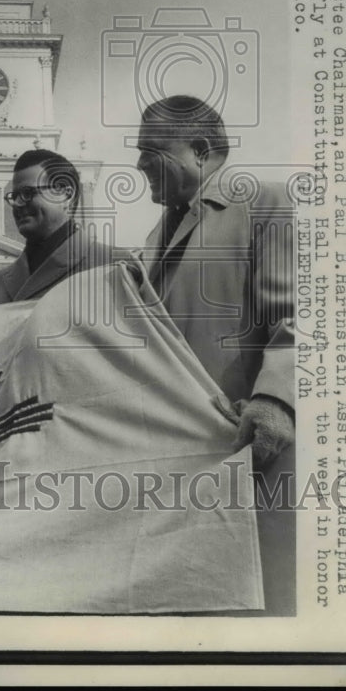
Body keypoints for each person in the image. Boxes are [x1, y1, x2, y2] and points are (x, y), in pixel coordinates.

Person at [135, 96, 295, 614]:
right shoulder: (156, 235)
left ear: (200, 150)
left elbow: (298, 315)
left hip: (254, 449)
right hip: (179, 461)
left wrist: (276, 400)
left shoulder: (267, 202)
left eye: (150, 151)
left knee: (259, 607)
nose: (139, 165)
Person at [0, 149, 110, 306]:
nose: (18, 204)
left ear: (65, 195)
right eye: (14, 196)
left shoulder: (112, 264)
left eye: (27, 193)